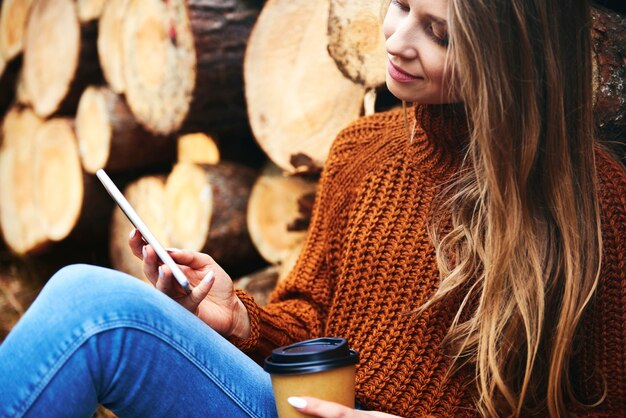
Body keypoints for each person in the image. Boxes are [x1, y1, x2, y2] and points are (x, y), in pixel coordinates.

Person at [1, 0, 624, 416]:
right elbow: (311, 330)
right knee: (91, 305)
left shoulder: (594, 202)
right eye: (403, 4)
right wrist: (241, 319)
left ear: (511, 59)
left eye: (437, 34)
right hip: (286, 410)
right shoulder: (361, 151)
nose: (396, 40)